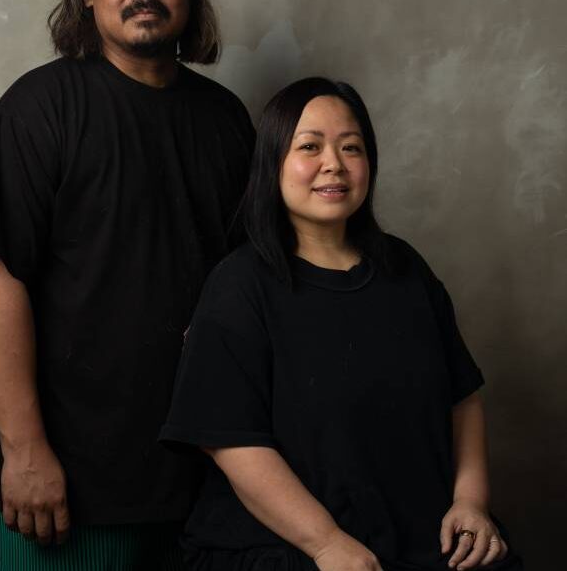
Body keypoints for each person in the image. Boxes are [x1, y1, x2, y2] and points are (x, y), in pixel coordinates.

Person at [0, 0, 254, 570]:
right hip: (66, 488)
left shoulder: (227, 121)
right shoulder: (38, 109)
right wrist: (24, 451)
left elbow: (249, 288)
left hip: (207, 483)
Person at [160, 78, 523, 571]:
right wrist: (326, 543)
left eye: (351, 147)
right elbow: (230, 440)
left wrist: (471, 503)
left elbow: (463, 399)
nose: (334, 163)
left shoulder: (406, 270)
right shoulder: (239, 286)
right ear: (273, 163)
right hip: (287, 543)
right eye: (310, 147)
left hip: (420, 533)